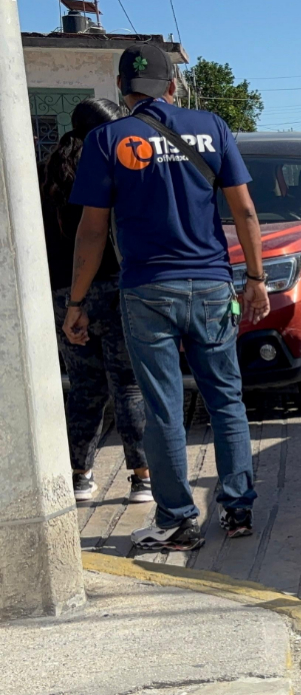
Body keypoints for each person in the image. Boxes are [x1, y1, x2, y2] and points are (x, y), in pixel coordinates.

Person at [64, 44, 270, 551]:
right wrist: (257, 279)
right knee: (226, 399)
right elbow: (244, 211)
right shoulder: (213, 128)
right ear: (172, 87)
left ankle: (178, 520)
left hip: (148, 291)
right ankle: (238, 509)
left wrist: (77, 302)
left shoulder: (106, 140)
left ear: (121, 88)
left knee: (163, 408)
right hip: (213, 286)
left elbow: (91, 233)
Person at [42, 98, 152, 505]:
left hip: (61, 294)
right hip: (111, 287)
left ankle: (79, 475)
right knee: (128, 385)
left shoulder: (46, 174)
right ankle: (142, 477)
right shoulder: (111, 170)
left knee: (85, 388)